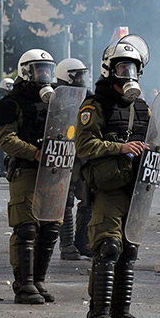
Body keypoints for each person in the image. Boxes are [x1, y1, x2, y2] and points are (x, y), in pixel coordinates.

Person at [75, 34, 150, 318]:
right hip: (106, 188)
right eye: (122, 69)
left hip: (134, 188)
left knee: (128, 249)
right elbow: (83, 145)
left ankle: (122, 312)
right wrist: (118, 147)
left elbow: (156, 142)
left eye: (132, 69)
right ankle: (98, 314)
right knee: (108, 247)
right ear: (109, 70)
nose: (127, 76)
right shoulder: (95, 106)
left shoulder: (143, 108)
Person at [0, 49, 58, 304]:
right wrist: (35, 153)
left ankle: (38, 280)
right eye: (40, 70)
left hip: (54, 170)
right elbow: (6, 140)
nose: (45, 75)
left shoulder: (56, 100)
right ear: (26, 72)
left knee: (50, 228)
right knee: (27, 227)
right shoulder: (12, 103)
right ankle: (24, 284)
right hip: (26, 169)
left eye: (48, 70)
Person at [54, 58, 93, 260]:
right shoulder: (55, 97)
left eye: (82, 74)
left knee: (87, 198)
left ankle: (83, 242)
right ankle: (67, 245)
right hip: (64, 152)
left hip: (83, 155)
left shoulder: (89, 97)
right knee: (66, 200)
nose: (81, 79)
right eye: (77, 75)